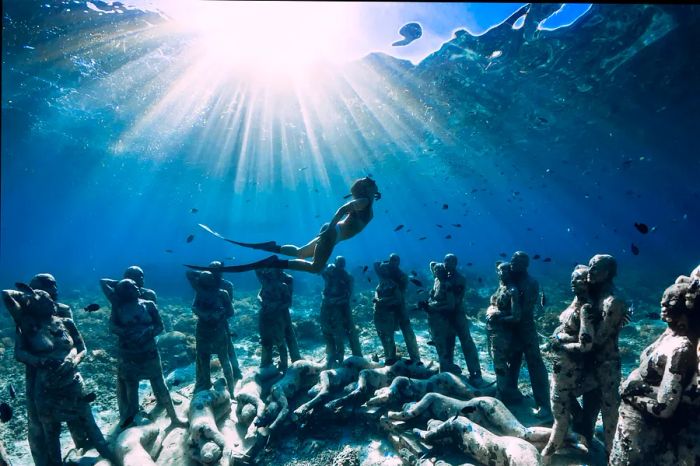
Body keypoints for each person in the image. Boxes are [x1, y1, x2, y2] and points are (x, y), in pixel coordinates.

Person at [4, 285, 117, 465]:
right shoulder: (28, 326)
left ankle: (112, 458)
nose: (52, 301)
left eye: (51, 298)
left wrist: (73, 360)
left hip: (74, 384)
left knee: (90, 424)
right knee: (51, 436)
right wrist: (41, 361)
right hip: (47, 390)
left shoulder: (66, 322)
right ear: (35, 305)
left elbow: (82, 348)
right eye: (46, 299)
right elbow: (19, 353)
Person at [185, 177, 380, 273]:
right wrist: (330, 228)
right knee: (315, 268)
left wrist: (329, 229)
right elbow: (344, 208)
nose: (375, 184)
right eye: (372, 184)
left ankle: (273, 247)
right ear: (366, 189)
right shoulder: (364, 202)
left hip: (332, 233)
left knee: (301, 253)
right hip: (332, 235)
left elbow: (348, 208)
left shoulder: (367, 200)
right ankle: (274, 262)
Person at [609, 280, 698, 465]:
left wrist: (632, 392)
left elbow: (665, 407)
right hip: (631, 425)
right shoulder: (669, 334)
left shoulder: (680, 348)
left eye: (671, 302)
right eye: (663, 300)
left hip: (641, 431)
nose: (663, 305)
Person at [101, 278, 185, 428]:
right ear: (125, 292)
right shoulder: (118, 307)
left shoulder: (149, 304)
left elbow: (160, 326)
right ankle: (134, 426)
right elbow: (112, 327)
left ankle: (174, 418)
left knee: (161, 386)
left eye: (135, 284)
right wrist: (127, 333)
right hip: (129, 356)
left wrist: (147, 333)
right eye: (131, 286)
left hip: (149, 353)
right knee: (132, 391)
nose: (136, 287)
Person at [573, 254, 628, 453]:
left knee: (609, 412)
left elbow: (598, 339)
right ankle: (584, 439)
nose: (591, 271)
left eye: (596, 268)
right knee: (586, 403)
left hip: (606, 365)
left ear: (608, 273)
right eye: (590, 266)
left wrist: (569, 343)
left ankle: (611, 455)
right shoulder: (593, 294)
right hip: (590, 360)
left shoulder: (613, 301)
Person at [542, 265, 597, 457]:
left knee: (558, 402)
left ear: (588, 282)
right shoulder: (577, 302)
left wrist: (560, 341)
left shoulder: (586, 308)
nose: (573, 282)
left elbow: (585, 345)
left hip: (569, 365)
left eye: (579, 279)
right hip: (562, 363)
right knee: (562, 400)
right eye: (572, 278)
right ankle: (577, 431)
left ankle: (552, 447)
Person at [507, 251, 551, 418]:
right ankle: (511, 393)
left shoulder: (531, 283)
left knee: (535, 364)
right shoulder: (510, 279)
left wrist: (506, 317)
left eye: (516, 261)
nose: (512, 263)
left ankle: (543, 404)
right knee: (513, 360)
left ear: (524, 265)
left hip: (525, 328)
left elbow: (524, 310)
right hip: (512, 327)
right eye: (512, 260)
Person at [186, 271, 242, 395]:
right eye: (205, 279)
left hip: (219, 330)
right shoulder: (199, 293)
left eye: (210, 277)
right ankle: (205, 385)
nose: (208, 281)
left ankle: (231, 389)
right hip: (202, 331)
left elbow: (231, 312)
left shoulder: (223, 293)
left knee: (224, 359)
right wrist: (206, 315)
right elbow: (194, 307)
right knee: (203, 359)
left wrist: (219, 315)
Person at [486, 262, 525, 402]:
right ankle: (504, 388)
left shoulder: (512, 290)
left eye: (505, 270)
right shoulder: (501, 286)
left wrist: (499, 316)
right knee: (495, 359)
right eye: (500, 270)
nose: (502, 273)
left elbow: (516, 316)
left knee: (499, 362)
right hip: (492, 330)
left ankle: (501, 394)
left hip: (502, 332)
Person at [373, 254, 421, 365]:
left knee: (407, 329)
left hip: (399, 305)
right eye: (391, 260)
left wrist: (388, 300)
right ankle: (390, 357)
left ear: (398, 262)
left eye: (395, 261)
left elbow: (401, 294)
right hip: (386, 305)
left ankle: (415, 358)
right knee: (387, 332)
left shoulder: (401, 275)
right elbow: (375, 265)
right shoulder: (385, 270)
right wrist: (386, 263)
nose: (393, 263)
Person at [443, 254, 483, 384]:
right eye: (445, 261)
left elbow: (456, 300)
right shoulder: (444, 277)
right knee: (448, 341)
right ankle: (449, 368)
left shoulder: (459, 278)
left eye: (449, 261)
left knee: (466, 341)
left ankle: (475, 372)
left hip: (458, 314)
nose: (446, 263)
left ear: (455, 263)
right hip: (447, 314)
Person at [320, 256, 362, 367]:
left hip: (342, 306)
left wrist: (336, 301)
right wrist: (328, 266)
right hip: (328, 304)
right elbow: (319, 269)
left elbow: (349, 295)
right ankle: (331, 354)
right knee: (326, 329)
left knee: (346, 330)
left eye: (342, 263)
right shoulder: (329, 273)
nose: (340, 265)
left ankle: (351, 355)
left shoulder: (347, 277)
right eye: (338, 263)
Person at [255, 268, 296, 371]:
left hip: (279, 316)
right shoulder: (265, 283)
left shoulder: (284, 284)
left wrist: (276, 305)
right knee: (265, 339)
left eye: (272, 271)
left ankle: (286, 364)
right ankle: (265, 362)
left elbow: (288, 302)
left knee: (281, 339)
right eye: (268, 271)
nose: (268, 273)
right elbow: (260, 294)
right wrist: (261, 301)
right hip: (265, 315)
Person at [426, 262, 460, 374]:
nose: (437, 272)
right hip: (434, 319)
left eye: (440, 270)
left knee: (444, 344)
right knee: (438, 343)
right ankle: (445, 367)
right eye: (435, 270)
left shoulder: (447, 284)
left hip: (443, 319)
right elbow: (432, 263)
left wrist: (435, 308)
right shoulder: (436, 281)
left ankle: (445, 369)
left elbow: (451, 305)